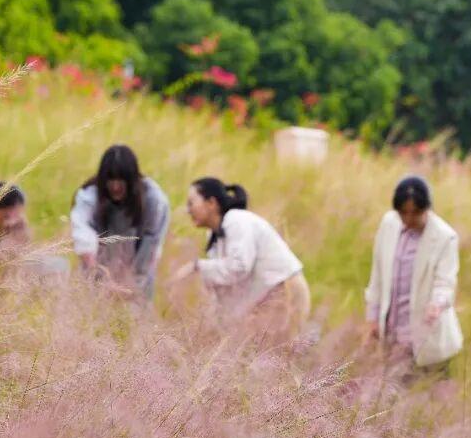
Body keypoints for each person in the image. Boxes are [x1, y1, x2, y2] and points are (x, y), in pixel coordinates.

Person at [171, 177, 310, 338]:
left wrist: (197, 266)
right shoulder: (215, 234)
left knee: (277, 356)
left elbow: (238, 268)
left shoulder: (237, 220)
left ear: (211, 203)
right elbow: (228, 284)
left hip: (285, 292)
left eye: (191, 203)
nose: (188, 210)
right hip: (264, 299)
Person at [363, 176, 463, 386]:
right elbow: (378, 273)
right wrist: (372, 316)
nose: (408, 218)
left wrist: (436, 304)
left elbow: (445, 282)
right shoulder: (389, 224)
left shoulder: (445, 237)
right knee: (393, 396)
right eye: (403, 212)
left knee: (431, 401)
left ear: (427, 209)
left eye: (415, 213)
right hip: (393, 331)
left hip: (426, 333)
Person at [70, 145, 170, 299]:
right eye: (110, 180)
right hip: (97, 276)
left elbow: (152, 244)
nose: (115, 187)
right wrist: (101, 279)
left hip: (138, 279)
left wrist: (132, 287)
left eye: (121, 181)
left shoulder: (154, 199)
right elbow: (83, 237)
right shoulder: (88, 196)